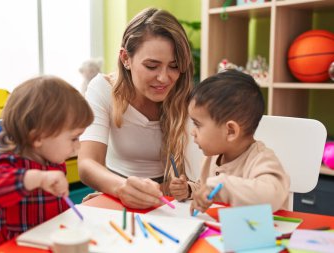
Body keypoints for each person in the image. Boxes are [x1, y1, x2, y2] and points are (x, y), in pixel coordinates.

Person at [78, 7, 202, 209]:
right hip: (117, 186)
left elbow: (198, 176)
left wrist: (145, 193)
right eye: (152, 66)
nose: (164, 78)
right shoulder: (102, 89)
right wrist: (118, 189)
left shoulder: (188, 98)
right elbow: (87, 164)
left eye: (174, 65)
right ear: (126, 58)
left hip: (171, 199)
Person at [0, 76, 94, 252]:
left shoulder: (54, 162)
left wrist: (77, 208)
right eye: (74, 138)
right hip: (14, 247)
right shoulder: (12, 164)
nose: (78, 146)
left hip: (46, 243)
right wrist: (35, 178)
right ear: (37, 137)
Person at [188, 70, 290, 214]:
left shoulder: (262, 159)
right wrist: (190, 190)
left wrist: (222, 186)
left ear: (230, 131)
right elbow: (205, 187)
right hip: (223, 231)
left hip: (265, 233)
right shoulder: (211, 157)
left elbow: (272, 195)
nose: (192, 131)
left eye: (197, 124)